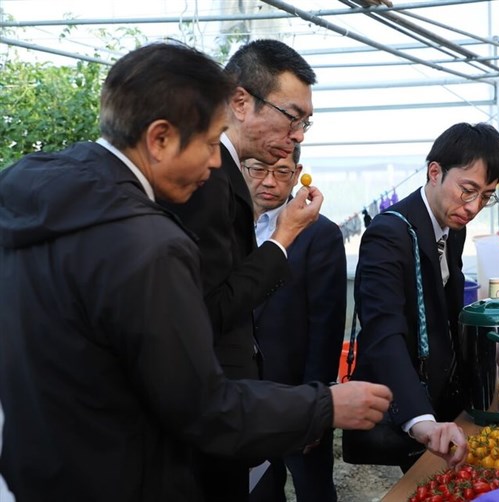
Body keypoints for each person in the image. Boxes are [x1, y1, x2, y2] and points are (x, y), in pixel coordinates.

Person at [0, 42, 392, 501]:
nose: (214, 163)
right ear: (160, 138)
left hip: (40, 469)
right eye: (209, 143)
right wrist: (323, 405)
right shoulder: (147, 241)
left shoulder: (31, 193)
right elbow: (199, 405)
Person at [157, 39, 322, 501]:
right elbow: (210, 307)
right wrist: (283, 238)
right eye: (292, 116)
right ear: (241, 101)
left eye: (306, 122)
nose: (299, 135)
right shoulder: (210, 180)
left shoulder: (223, 175)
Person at [351, 122, 499, 471]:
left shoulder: (454, 228)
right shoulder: (388, 234)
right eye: (467, 190)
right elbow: (383, 332)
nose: (472, 206)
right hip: (406, 397)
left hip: (442, 397)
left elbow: (447, 314)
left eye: (486, 196)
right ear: (434, 172)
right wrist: (419, 417)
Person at [245, 146, 346, 502]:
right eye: (258, 170)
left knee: (313, 487)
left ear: (298, 171)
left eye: (282, 172)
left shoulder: (321, 235)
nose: (269, 182)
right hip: (245, 396)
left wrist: (316, 403)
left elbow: (326, 327)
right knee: (258, 489)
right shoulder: (229, 228)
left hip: (297, 393)